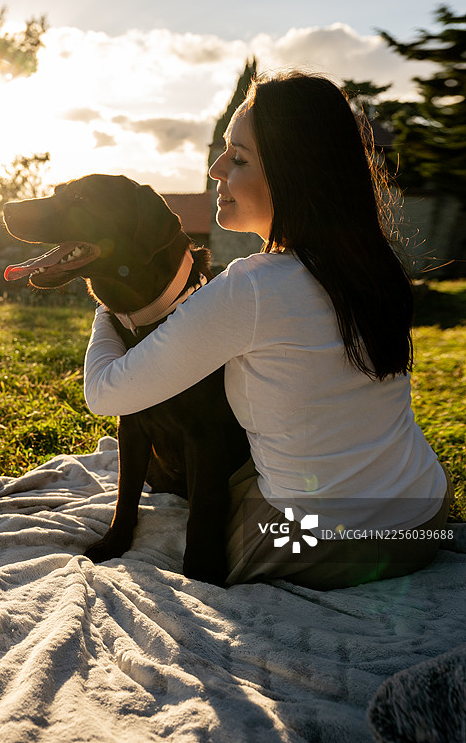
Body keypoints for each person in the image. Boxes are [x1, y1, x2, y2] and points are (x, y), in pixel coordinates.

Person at [84, 70, 453, 589]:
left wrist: (111, 305)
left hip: (332, 543)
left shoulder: (253, 288)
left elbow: (106, 392)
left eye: (237, 159)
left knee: (182, 534)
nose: (216, 169)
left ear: (291, 175)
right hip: (424, 515)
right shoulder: (373, 265)